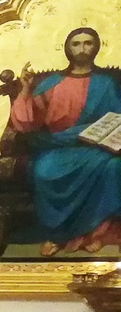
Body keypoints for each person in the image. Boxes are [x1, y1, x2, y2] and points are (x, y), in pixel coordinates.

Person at [6, 27, 121, 254]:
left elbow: (117, 118)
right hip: (57, 146)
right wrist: (26, 90)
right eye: (76, 44)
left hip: (95, 148)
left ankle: (97, 233)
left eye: (88, 43)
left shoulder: (105, 83)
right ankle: (58, 235)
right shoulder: (52, 83)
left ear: (96, 47)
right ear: (67, 49)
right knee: (44, 171)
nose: (82, 49)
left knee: (113, 167)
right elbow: (27, 123)